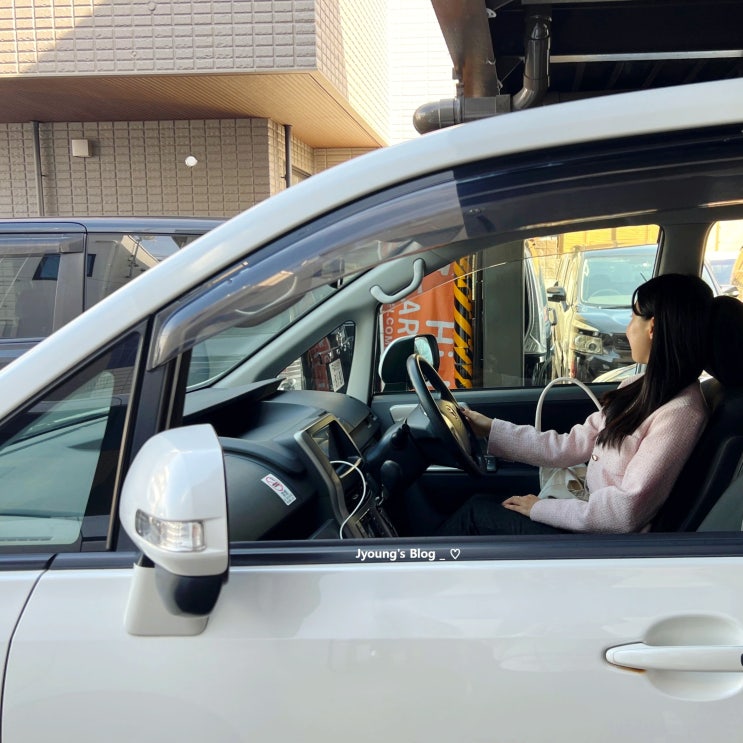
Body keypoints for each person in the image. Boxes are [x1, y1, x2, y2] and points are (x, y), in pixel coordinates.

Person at [438, 273, 713, 536]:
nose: (627, 329)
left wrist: (540, 508)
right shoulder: (637, 387)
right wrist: (491, 429)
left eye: (632, 317)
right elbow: (571, 445)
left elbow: (624, 513)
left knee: (475, 513)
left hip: (603, 543)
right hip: (586, 514)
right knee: (481, 503)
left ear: (652, 328)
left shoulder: (681, 414)